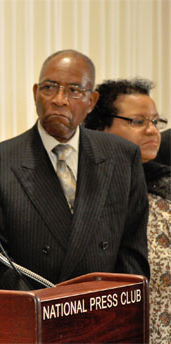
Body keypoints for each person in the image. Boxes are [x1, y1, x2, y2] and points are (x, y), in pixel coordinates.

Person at [0, 50, 150, 290]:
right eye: (49, 88)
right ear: (35, 93)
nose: (59, 99)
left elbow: (132, 254)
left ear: (92, 102)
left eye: (74, 90)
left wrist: (122, 315)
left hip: (103, 310)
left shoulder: (122, 156)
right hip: (36, 311)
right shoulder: (0, 159)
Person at [84, 78, 170, 343]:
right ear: (101, 127)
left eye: (155, 122)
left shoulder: (165, 187)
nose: (151, 131)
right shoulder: (88, 190)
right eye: (138, 121)